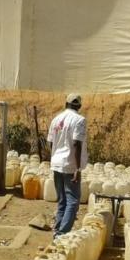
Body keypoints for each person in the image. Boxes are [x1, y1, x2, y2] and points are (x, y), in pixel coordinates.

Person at [47, 93, 88, 237]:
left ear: (66, 104)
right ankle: (61, 234)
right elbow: (77, 143)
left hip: (56, 163)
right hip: (70, 165)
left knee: (62, 201)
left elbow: (50, 142)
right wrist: (77, 168)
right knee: (73, 201)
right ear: (79, 106)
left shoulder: (56, 119)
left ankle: (57, 230)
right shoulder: (79, 120)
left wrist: (55, 156)